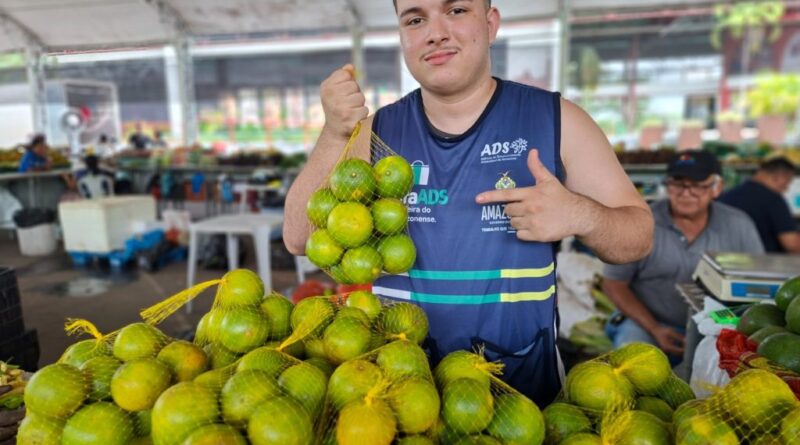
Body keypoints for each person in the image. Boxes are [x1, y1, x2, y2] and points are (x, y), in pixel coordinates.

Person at [283, 0, 654, 405]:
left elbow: (638, 237)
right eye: (415, 18)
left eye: (456, 10)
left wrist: (580, 214)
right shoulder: (377, 132)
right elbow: (300, 238)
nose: (435, 31)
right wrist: (335, 133)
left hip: (523, 387)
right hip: (401, 388)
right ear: (403, 36)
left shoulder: (557, 119)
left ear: (491, 24)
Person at [603, 150, 764, 362]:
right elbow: (614, 284)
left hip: (718, 325)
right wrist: (655, 328)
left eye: (697, 185)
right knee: (634, 360)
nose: (686, 193)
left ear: (717, 187)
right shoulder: (642, 222)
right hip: (648, 322)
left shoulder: (738, 224)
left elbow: (758, 281)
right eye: (677, 184)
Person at [719, 157, 800, 253]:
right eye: (788, 182)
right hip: (762, 263)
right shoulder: (773, 200)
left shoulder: (728, 196)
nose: (786, 188)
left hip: (727, 259)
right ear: (779, 177)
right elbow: (791, 244)